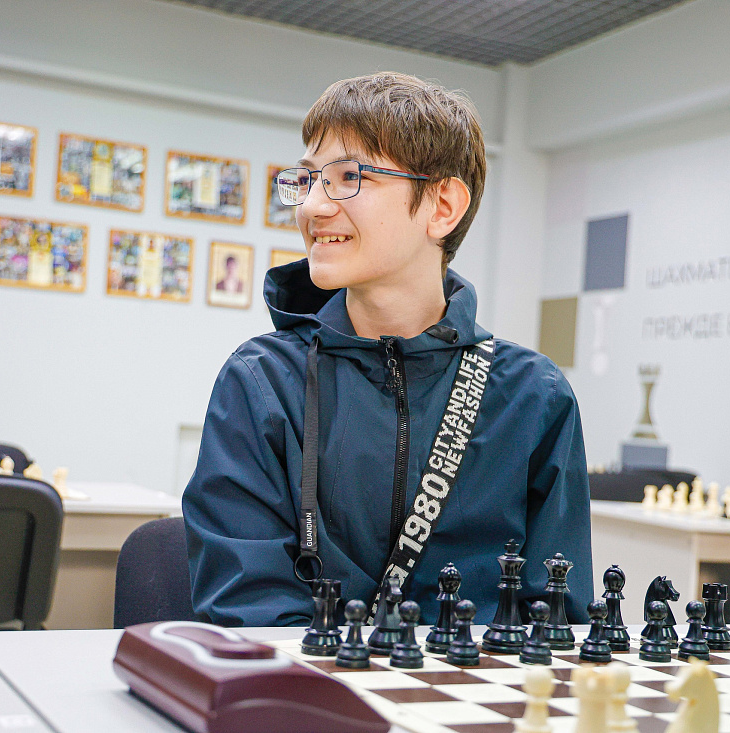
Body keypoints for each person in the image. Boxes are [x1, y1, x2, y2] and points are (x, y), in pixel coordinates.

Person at [183, 71, 593, 627]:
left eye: (349, 177)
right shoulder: (261, 383)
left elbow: (557, 617)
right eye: (308, 180)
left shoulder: (533, 396)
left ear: (442, 206)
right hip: (309, 682)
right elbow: (248, 611)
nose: (312, 207)